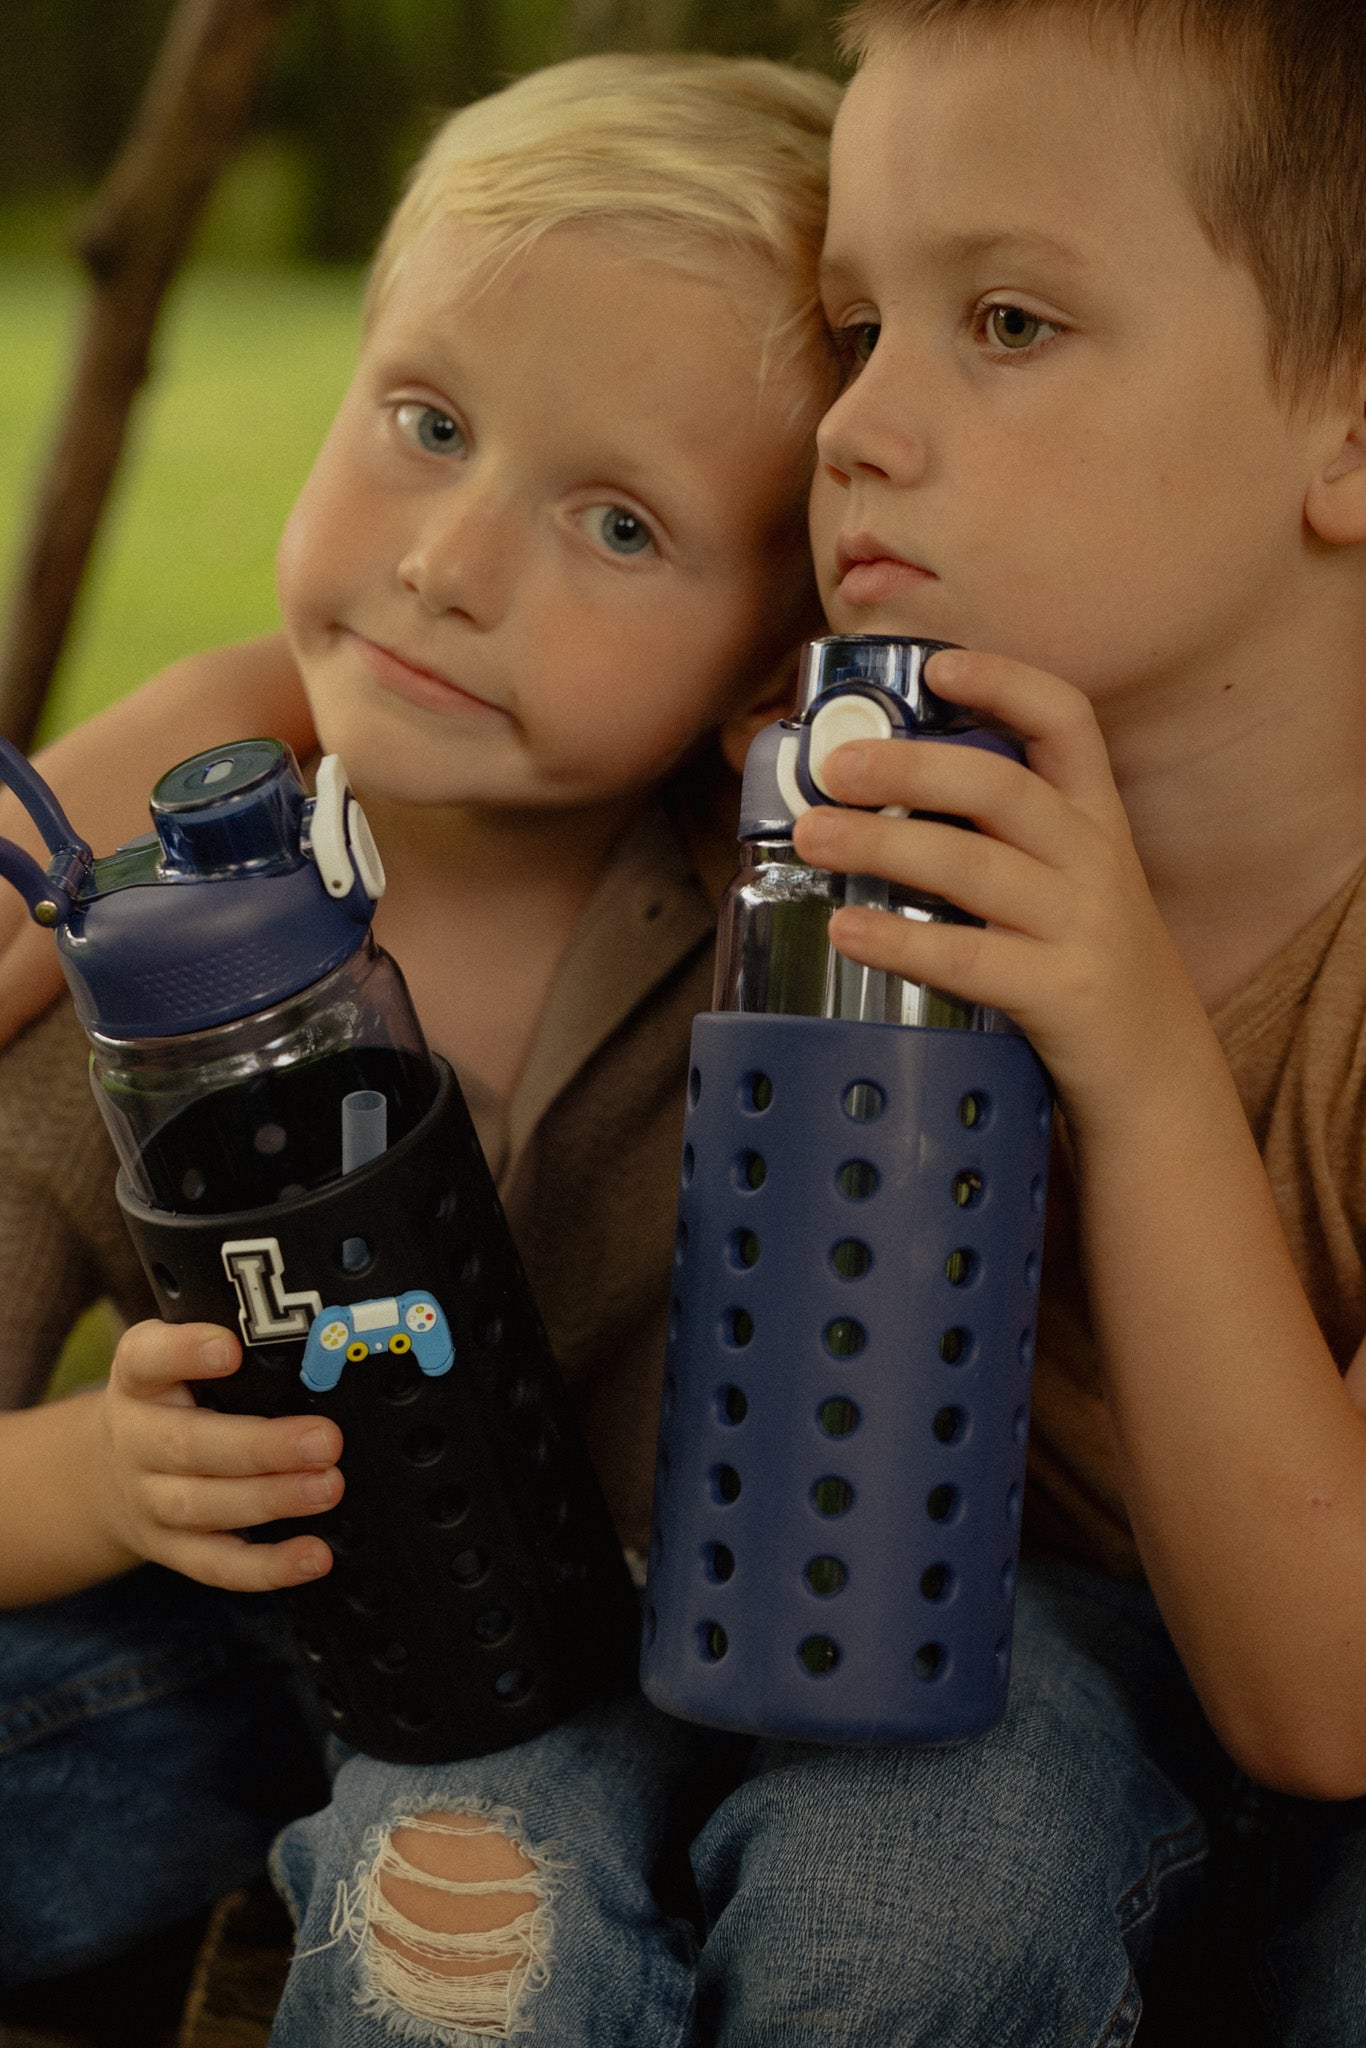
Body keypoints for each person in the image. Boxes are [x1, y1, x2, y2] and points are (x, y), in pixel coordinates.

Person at [8, 2, 1366, 2041]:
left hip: (1115, 1706)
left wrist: (1122, 1031)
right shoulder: (804, 791)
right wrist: (200, 735)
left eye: (1002, 320)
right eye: (853, 330)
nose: (854, 427)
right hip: (630, 1660)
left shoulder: (901, 840)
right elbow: (405, 660)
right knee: (585, 1882)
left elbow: (1315, 1691)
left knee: (974, 1884)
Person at [0, 48, 840, 2013]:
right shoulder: (113, 994)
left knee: (470, 1919)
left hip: (659, 1682)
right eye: (425, 418)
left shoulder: (787, 950)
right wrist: (100, 1486)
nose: (447, 568)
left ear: (767, 649)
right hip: (220, 1646)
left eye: (618, 525)